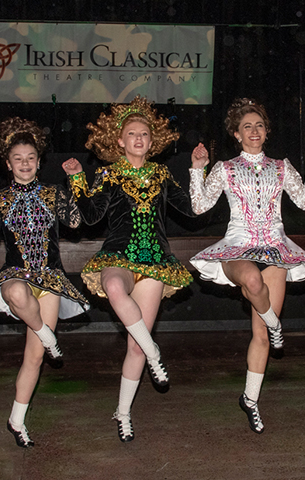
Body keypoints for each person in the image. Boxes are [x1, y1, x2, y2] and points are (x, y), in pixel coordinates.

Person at [62, 96, 197, 442]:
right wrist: (78, 180)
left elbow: (192, 209)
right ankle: (155, 351)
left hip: (155, 262)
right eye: (132, 134)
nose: (139, 139)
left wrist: (199, 170)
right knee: (115, 289)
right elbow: (90, 217)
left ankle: (123, 413)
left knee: (134, 347)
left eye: (144, 135)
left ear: (153, 141)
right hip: (118, 257)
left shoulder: (162, 174)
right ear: (119, 140)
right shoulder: (109, 174)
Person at [187, 98, 305, 434]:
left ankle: (250, 400)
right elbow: (200, 206)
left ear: (266, 132)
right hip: (239, 243)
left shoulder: (281, 167)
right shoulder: (226, 168)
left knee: (260, 334)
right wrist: (197, 169)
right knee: (250, 279)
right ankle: (277, 324)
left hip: (275, 246)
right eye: (246, 126)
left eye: (259, 125)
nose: (254, 131)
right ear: (236, 133)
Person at [0, 117, 90, 448]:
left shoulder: (53, 194)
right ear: (8, 163)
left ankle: (17, 419)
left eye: (30, 158)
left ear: (38, 162)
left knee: (34, 358)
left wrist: (76, 180)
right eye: (17, 159)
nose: (24, 164)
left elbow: (75, 221)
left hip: (51, 278)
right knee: (14, 291)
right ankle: (46, 334)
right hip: (16, 274)